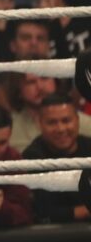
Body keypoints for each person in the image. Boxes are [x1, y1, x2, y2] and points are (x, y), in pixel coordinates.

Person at [21, 94, 91, 223]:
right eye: (52, 122)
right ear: (39, 124)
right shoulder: (32, 157)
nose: (60, 129)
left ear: (77, 120)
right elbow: (42, 212)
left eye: (66, 120)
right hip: (53, 237)